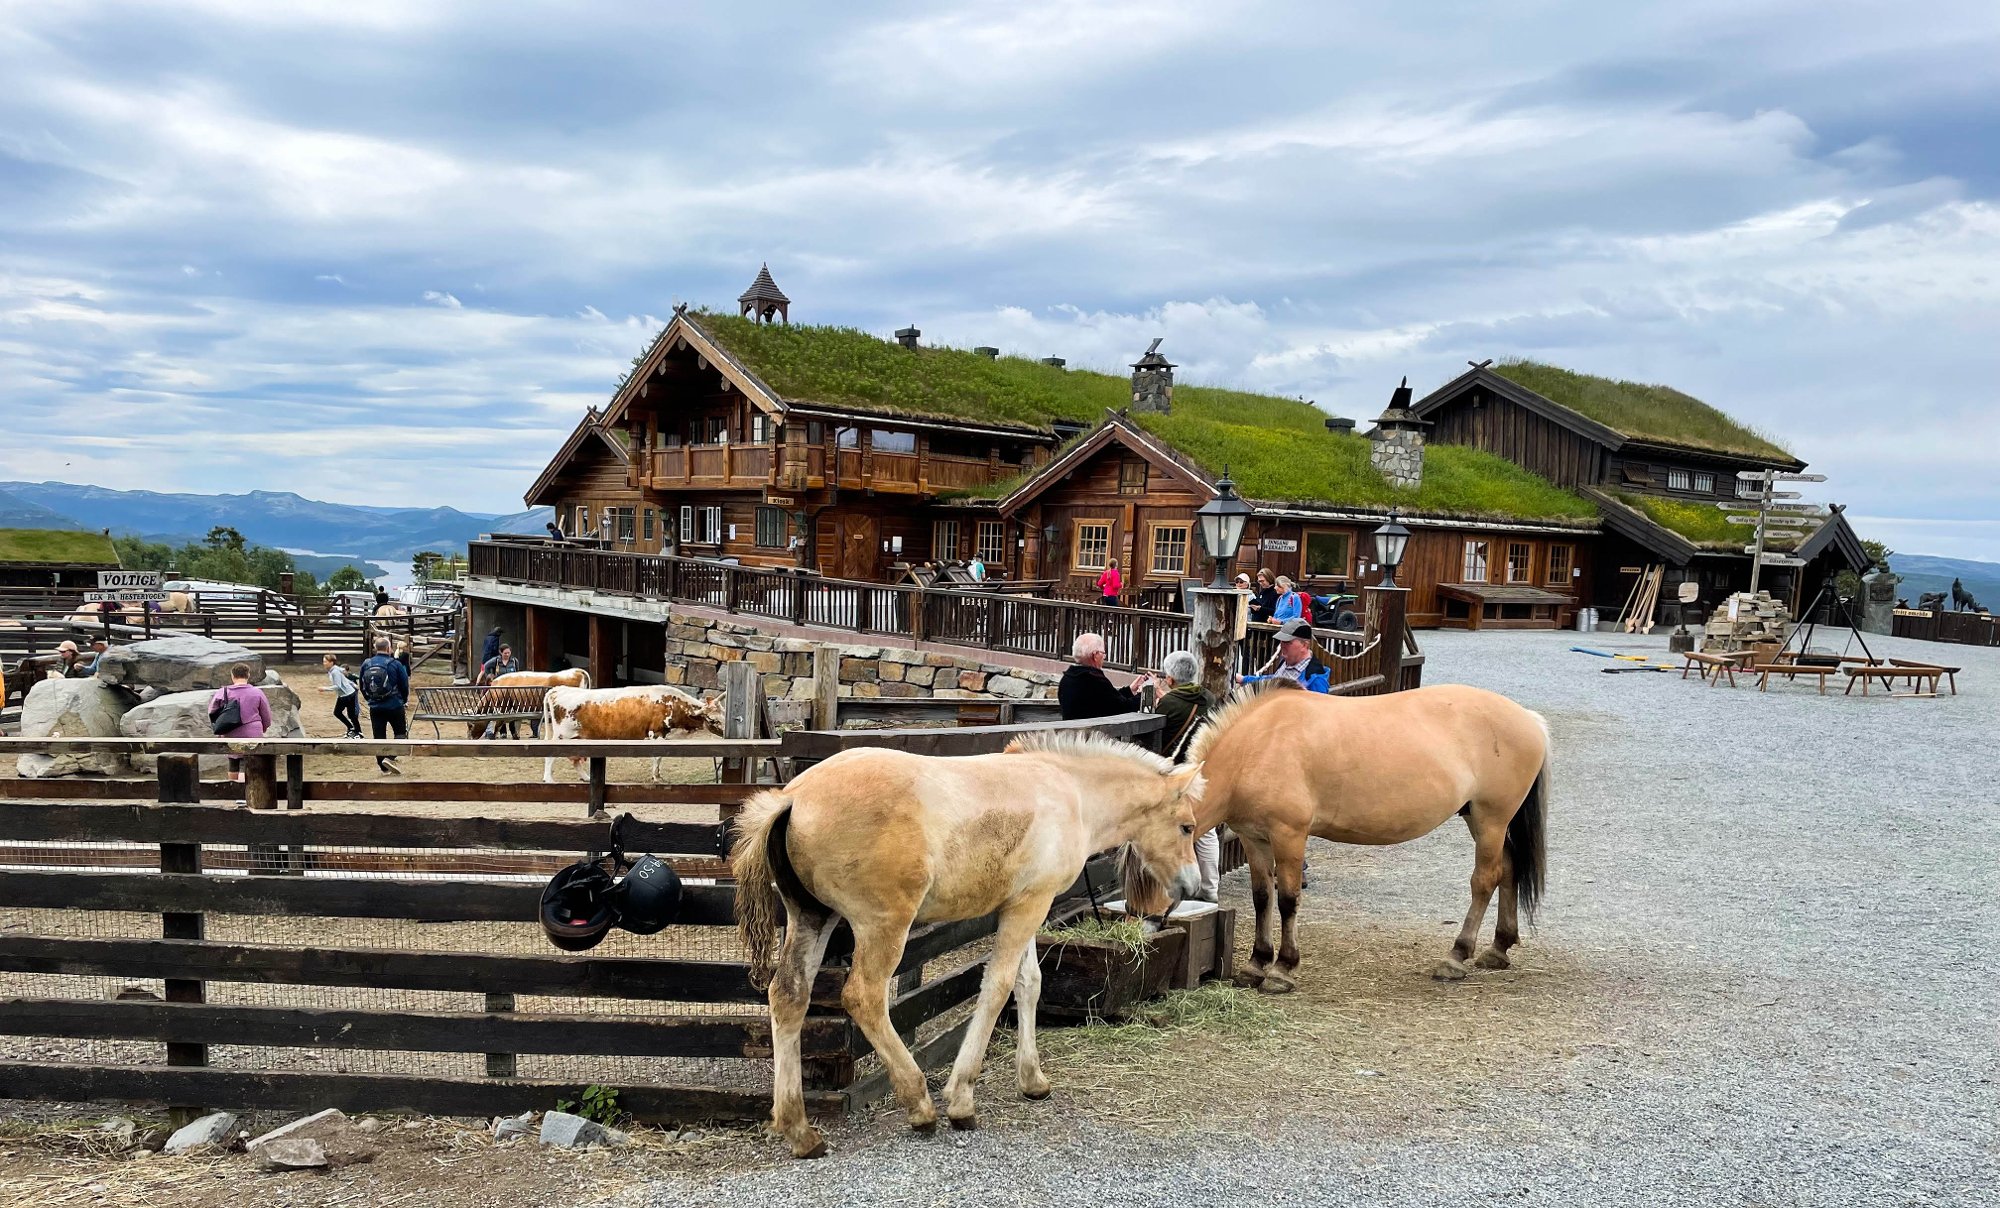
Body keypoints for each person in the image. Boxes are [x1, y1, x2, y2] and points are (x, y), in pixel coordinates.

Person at [1152, 650, 1218, 900]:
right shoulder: (1210, 697)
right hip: (1202, 772)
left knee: (1173, 831)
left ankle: (1169, 890)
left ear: (1169, 679)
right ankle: (1210, 889)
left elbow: (1164, 731)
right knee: (1206, 832)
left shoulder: (1167, 703)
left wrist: (1161, 700)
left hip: (1177, 777)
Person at [208, 662, 273, 789]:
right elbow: (266, 715)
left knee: (233, 761)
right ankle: (245, 791)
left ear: (233, 676)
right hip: (252, 732)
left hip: (230, 731)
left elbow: (212, 711)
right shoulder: (257, 692)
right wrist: (263, 728)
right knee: (247, 762)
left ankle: (233, 790)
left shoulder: (223, 692)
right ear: (248, 675)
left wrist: (219, 727)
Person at [1058, 632, 1151, 720]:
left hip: (1071, 733)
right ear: (1095, 655)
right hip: (1093, 735)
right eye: (1103, 653)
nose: (1104, 657)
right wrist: (1144, 694)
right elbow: (1122, 708)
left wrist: (1130, 690)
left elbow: (1108, 700)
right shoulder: (1093, 680)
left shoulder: (1068, 678)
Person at [358, 635, 411, 775]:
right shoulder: (395, 664)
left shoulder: (366, 663)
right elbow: (404, 684)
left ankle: (382, 766)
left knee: (378, 736)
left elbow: (362, 685)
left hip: (375, 707)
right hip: (394, 705)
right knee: (401, 734)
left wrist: (370, 699)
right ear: (388, 648)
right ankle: (390, 757)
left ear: (376, 648)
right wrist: (403, 699)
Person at [1240, 618, 1331, 692]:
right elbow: (1274, 680)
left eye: (1287, 642)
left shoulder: (1316, 680)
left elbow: (1319, 711)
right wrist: (1244, 679)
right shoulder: (1287, 661)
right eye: (1282, 641)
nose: (1282, 645)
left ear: (1304, 645)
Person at [320, 653, 361, 738]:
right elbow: (344, 676)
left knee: (339, 713)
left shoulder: (335, 672)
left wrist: (325, 689)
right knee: (351, 715)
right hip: (348, 693)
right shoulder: (335, 669)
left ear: (331, 662)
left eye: (325, 661)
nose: (324, 663)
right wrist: (353, 684)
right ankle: (356, 730)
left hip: (346, 695)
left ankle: (353, 729)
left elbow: (338, 686)